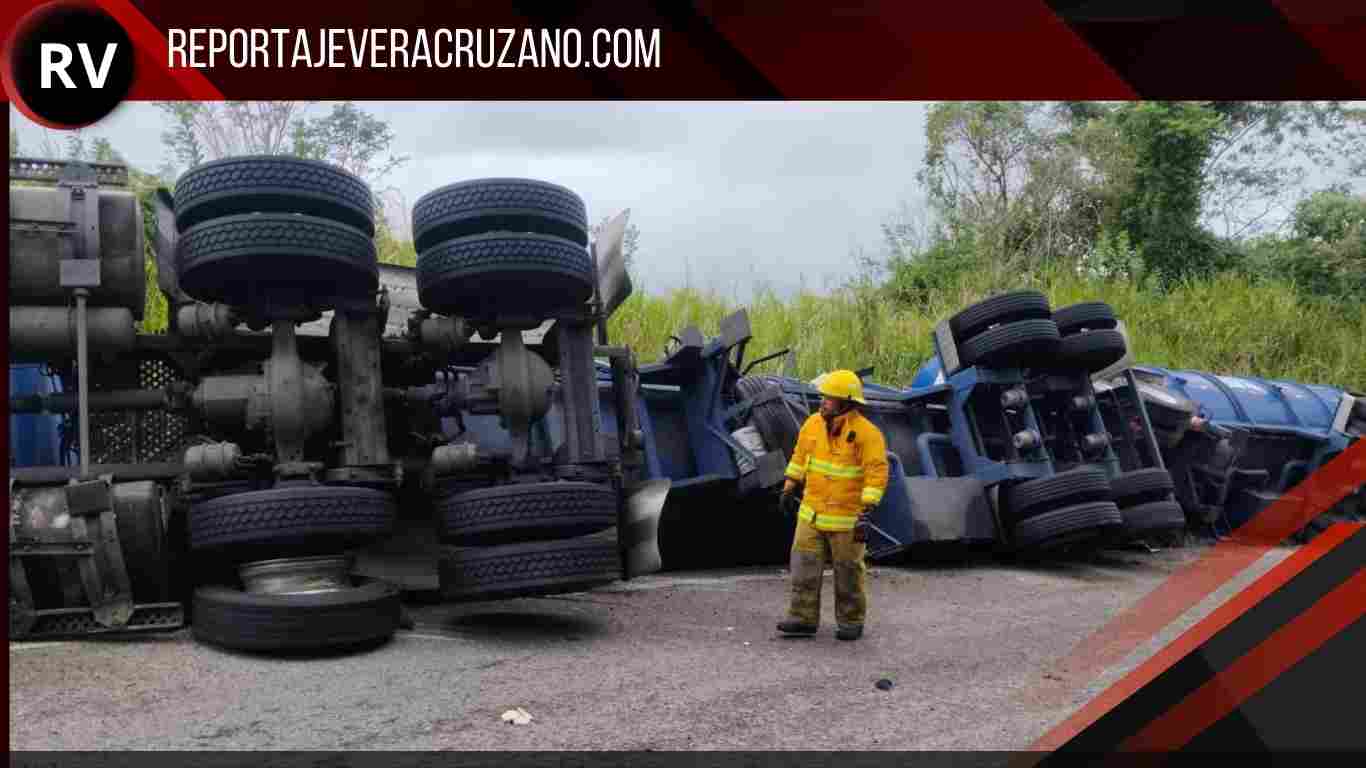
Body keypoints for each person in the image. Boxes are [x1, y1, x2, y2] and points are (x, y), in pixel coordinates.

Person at [777, 369, 889, 641]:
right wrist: (790, 484)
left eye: (829, 398)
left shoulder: (867, 434)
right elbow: (800, 456)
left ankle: (851, 621)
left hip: (846, 518)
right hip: (811, 514)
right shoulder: (812, 424)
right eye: (824, 396)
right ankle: (802, 618)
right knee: (803, 566)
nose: (823, 402)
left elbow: (876, 471)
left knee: (848, 572)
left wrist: (868, 507)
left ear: (846, 403)